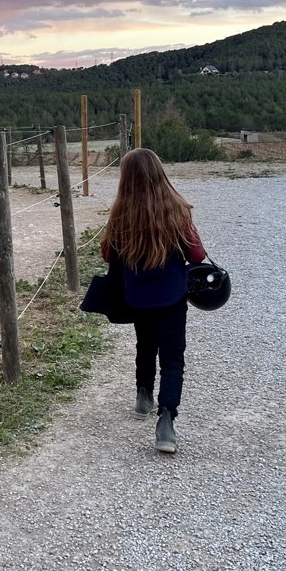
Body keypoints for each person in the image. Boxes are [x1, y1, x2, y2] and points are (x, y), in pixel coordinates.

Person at [100, 148, 206, 454]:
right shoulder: (177, 209)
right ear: (160, 173)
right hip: (172, 296)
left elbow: (108, 254)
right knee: (173, 359)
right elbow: (197, 256)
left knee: (145, 344)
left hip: (137, 296)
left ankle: (143, 395)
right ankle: (167, 420)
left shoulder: (121, 212)